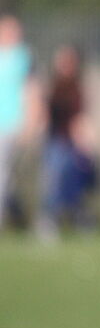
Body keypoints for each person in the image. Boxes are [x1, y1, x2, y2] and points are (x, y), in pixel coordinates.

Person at [38, 45, 97, 237]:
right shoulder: (51, 87)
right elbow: (43, 114)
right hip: (54, 141)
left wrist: (86, 143)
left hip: (70, 143)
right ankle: (49, 219)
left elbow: (80, 119)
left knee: (73, 184)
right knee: (53, 181)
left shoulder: (77, 89)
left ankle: (78, 219)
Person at [0, 15, 35, 230]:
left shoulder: (22, 57)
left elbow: (31, 90)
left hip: (11, 123)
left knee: (3, 172)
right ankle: (17, 213)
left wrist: (30, 122)